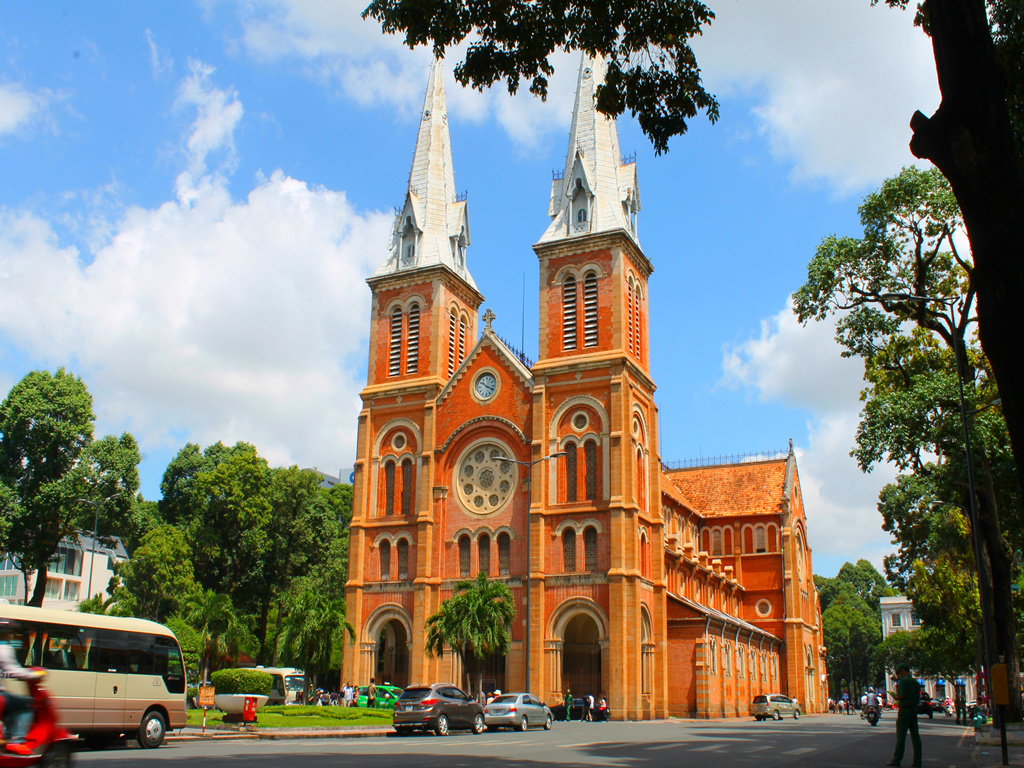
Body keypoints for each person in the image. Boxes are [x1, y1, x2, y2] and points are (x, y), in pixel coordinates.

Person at [0, 619, 43, 746]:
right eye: (10, 632)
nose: (11, 635)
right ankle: (18, 739)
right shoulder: (4, 649)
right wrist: (34, 674)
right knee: (27, 703)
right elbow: (13, 670)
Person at [888, 665, 922, 768]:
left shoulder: (903, 681)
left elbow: (901, 695)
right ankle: (917, 761)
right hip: (913, 710)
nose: (899, 675)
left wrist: (895, 696)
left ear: (903, 671)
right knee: (915, 737)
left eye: (899, 672)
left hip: (905, 710)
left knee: (901, 736)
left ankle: (896, 759)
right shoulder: (915, 683)